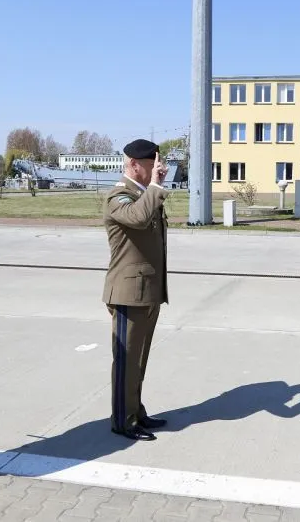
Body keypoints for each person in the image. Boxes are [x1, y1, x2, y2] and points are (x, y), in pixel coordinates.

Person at [102, 139, 170, 441]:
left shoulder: (144, 195)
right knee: (127, 362)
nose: (159, 168)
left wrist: (153, 187)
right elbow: (139, 219)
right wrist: (155, 186)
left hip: (148, 290)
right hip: (127, 293)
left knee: (139, 360)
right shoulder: (118, 197)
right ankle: (123, 421)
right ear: (134, 165)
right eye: (152, 163)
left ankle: (136, 412)